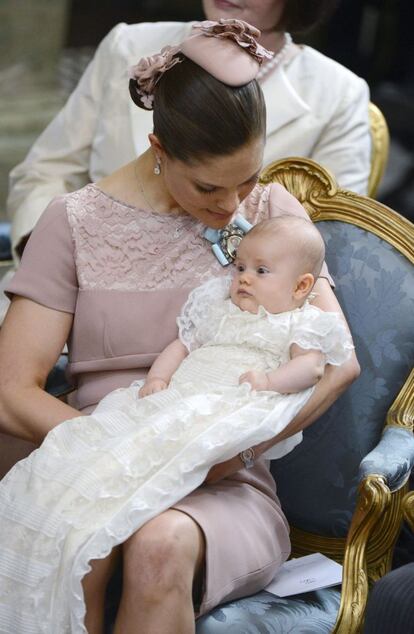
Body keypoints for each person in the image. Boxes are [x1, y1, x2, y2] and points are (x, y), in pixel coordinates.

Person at [0, 19, 360, 634]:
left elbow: (339, 361)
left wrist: (225, 450)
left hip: (223, 480)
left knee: (158, 541)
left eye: (247, 177)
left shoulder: (273, 214)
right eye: (209, 186)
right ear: (159, 149)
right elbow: (12, 391)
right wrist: (126, 454)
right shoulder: (73, 223)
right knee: (84, 532)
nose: (231, 206)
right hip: (89, 453)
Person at [0, 216, 354, 633]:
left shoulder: (297, 310)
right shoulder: (216, 309)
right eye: (239, 267)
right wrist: (151, 389)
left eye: (260, 271)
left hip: (224, 446)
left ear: (299, 286)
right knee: (71, 530)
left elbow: (323, 366)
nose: (243, 278)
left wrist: (266, 389)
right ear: (159, 150)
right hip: (149, 419)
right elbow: (181, 345)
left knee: (158, 544)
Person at [6, 0, 371, 262]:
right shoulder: (127, 45)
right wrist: (50, 260)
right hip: (74, 280)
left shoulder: (338, 94)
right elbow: (45, 172)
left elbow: (332, 241)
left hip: (225, 314)